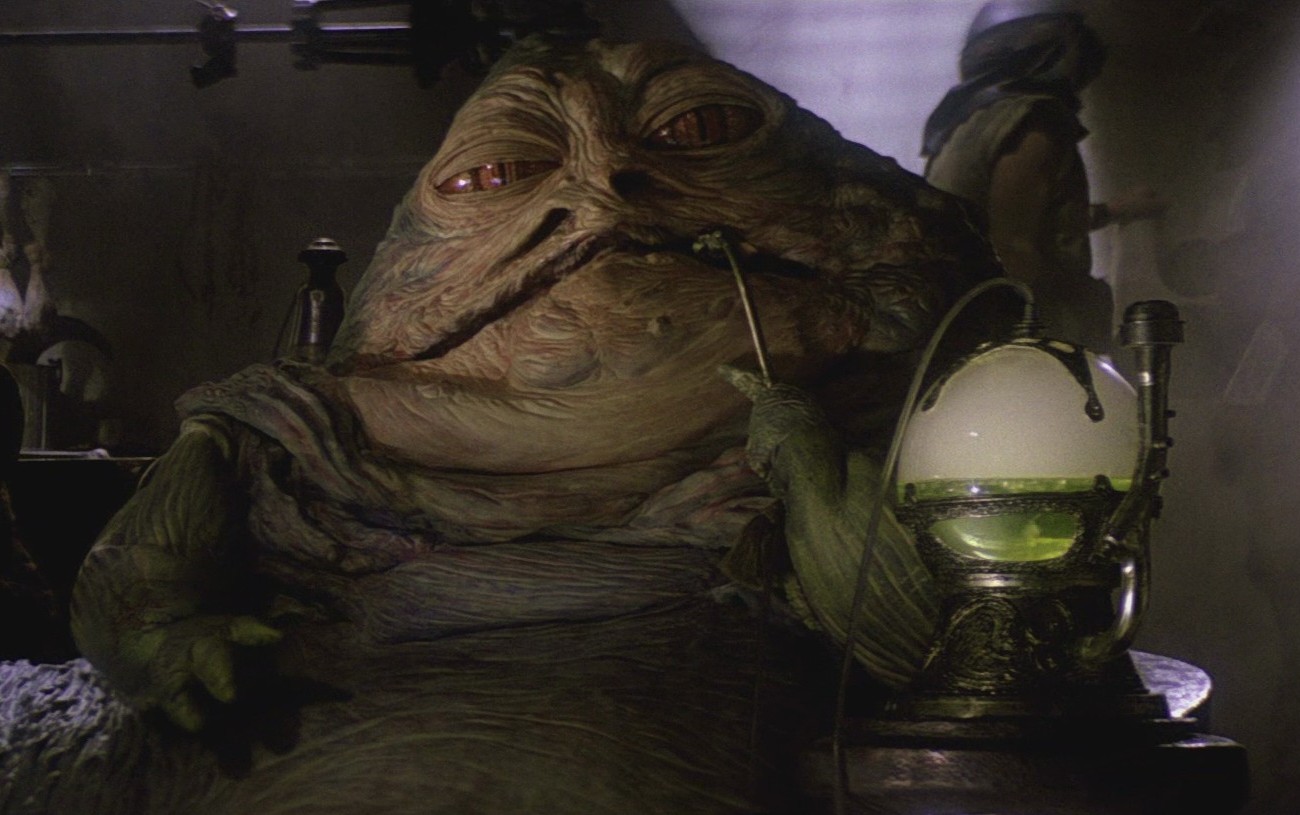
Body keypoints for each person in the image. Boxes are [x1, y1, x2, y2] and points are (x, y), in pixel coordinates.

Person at [922, 0, 1165, 354]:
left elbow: (1039, 220)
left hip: (969, 325)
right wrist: (1042, 346)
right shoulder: (1033, 120)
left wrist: (1114, 210)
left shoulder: (967, 121)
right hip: (1018, 335)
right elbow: (1014, 245)